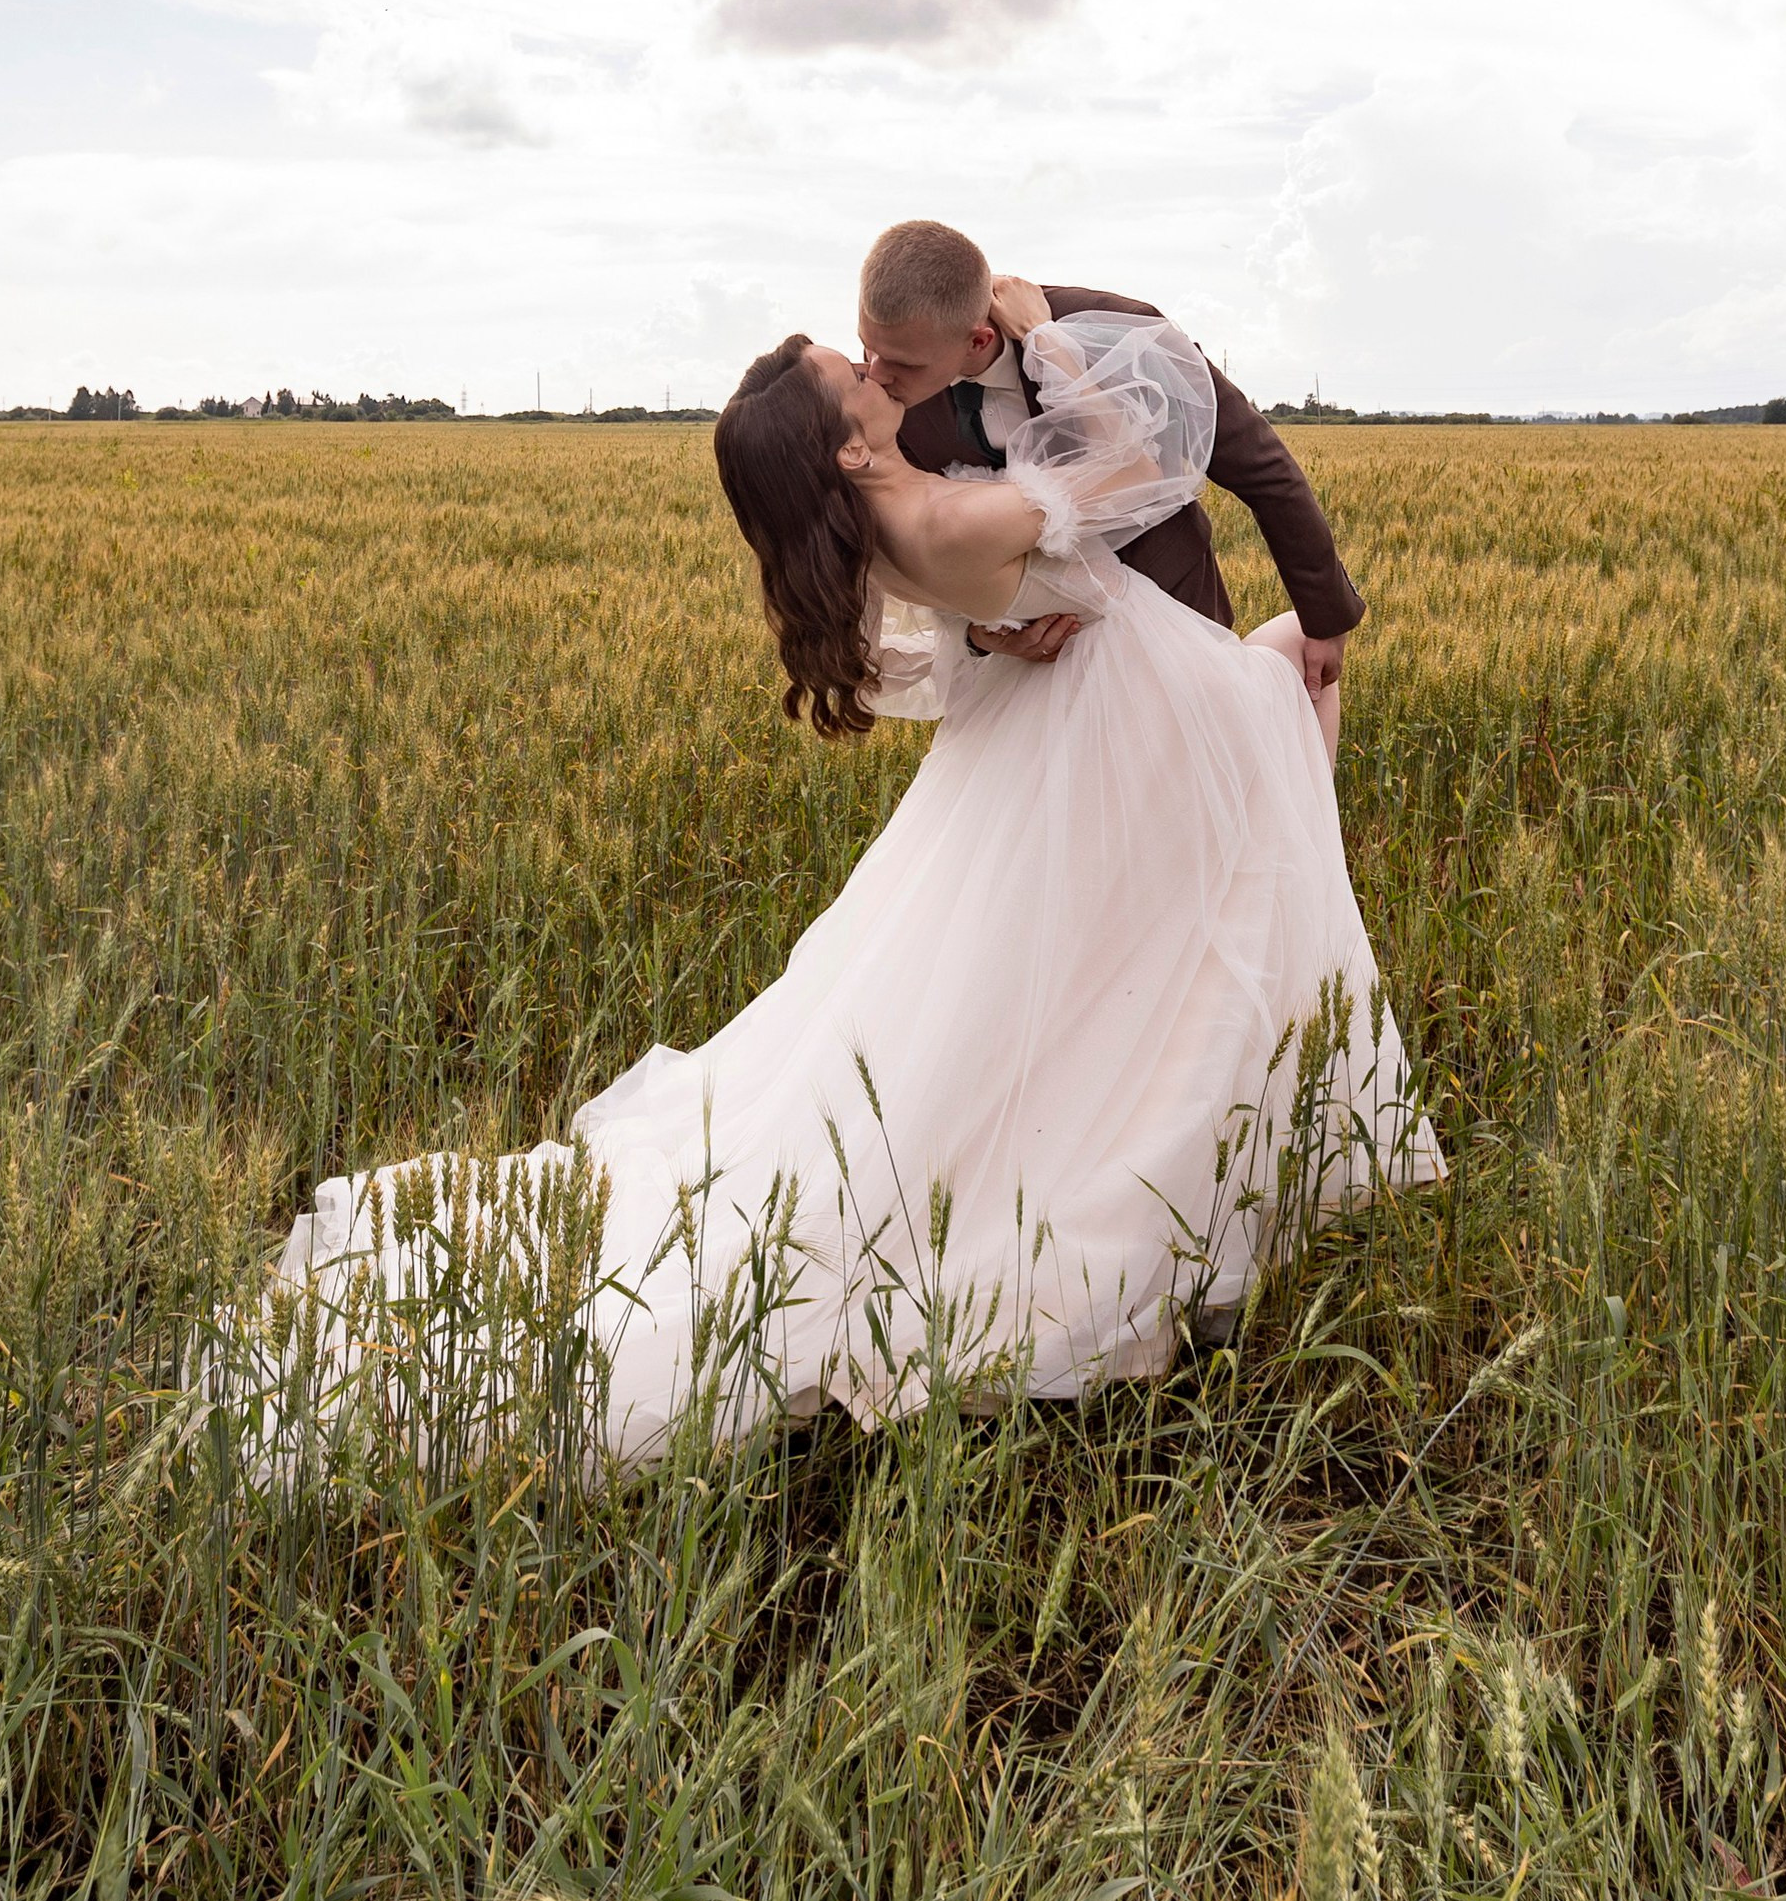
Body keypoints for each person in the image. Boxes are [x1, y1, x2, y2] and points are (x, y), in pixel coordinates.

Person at [236, 280, 1441, 1477]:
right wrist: (1036, 335)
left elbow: (978, 586)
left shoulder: (903, 508)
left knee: (1103, 960)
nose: (876, 370)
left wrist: (991, 626)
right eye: (854, 375)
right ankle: (1180, 1188)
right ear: (849, 440)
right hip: (1106, 716)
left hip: (1053, 723)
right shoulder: (944, 522)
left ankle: (1210, 1143)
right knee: (1249, 791)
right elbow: (1131, 467)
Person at [858, 217, 1363, 727]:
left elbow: (1259, 466)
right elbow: (924, 547)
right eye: (867, 348)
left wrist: (1325, 618)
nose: (876, 375)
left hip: (1168, 622)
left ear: (977, 340)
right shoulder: (890, 392)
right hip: (1028, 678)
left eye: (900, 363)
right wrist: (976, 637)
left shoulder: (1123, 328)